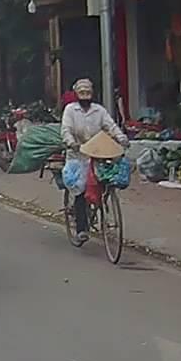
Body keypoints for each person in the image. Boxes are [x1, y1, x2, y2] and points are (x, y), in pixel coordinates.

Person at [60, 77, 129, 243]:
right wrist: (71, 143)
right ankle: (81, 229)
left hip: (97, 154)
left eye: (88, 93)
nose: (85, 96)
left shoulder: (99, 111)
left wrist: (122, 138)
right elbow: (66, 130)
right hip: (78, 155)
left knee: (104, 181)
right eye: (82, 93)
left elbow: (111, 126)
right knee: (80, 189)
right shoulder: (70, 110)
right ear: (77, 94)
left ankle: (100, 205)